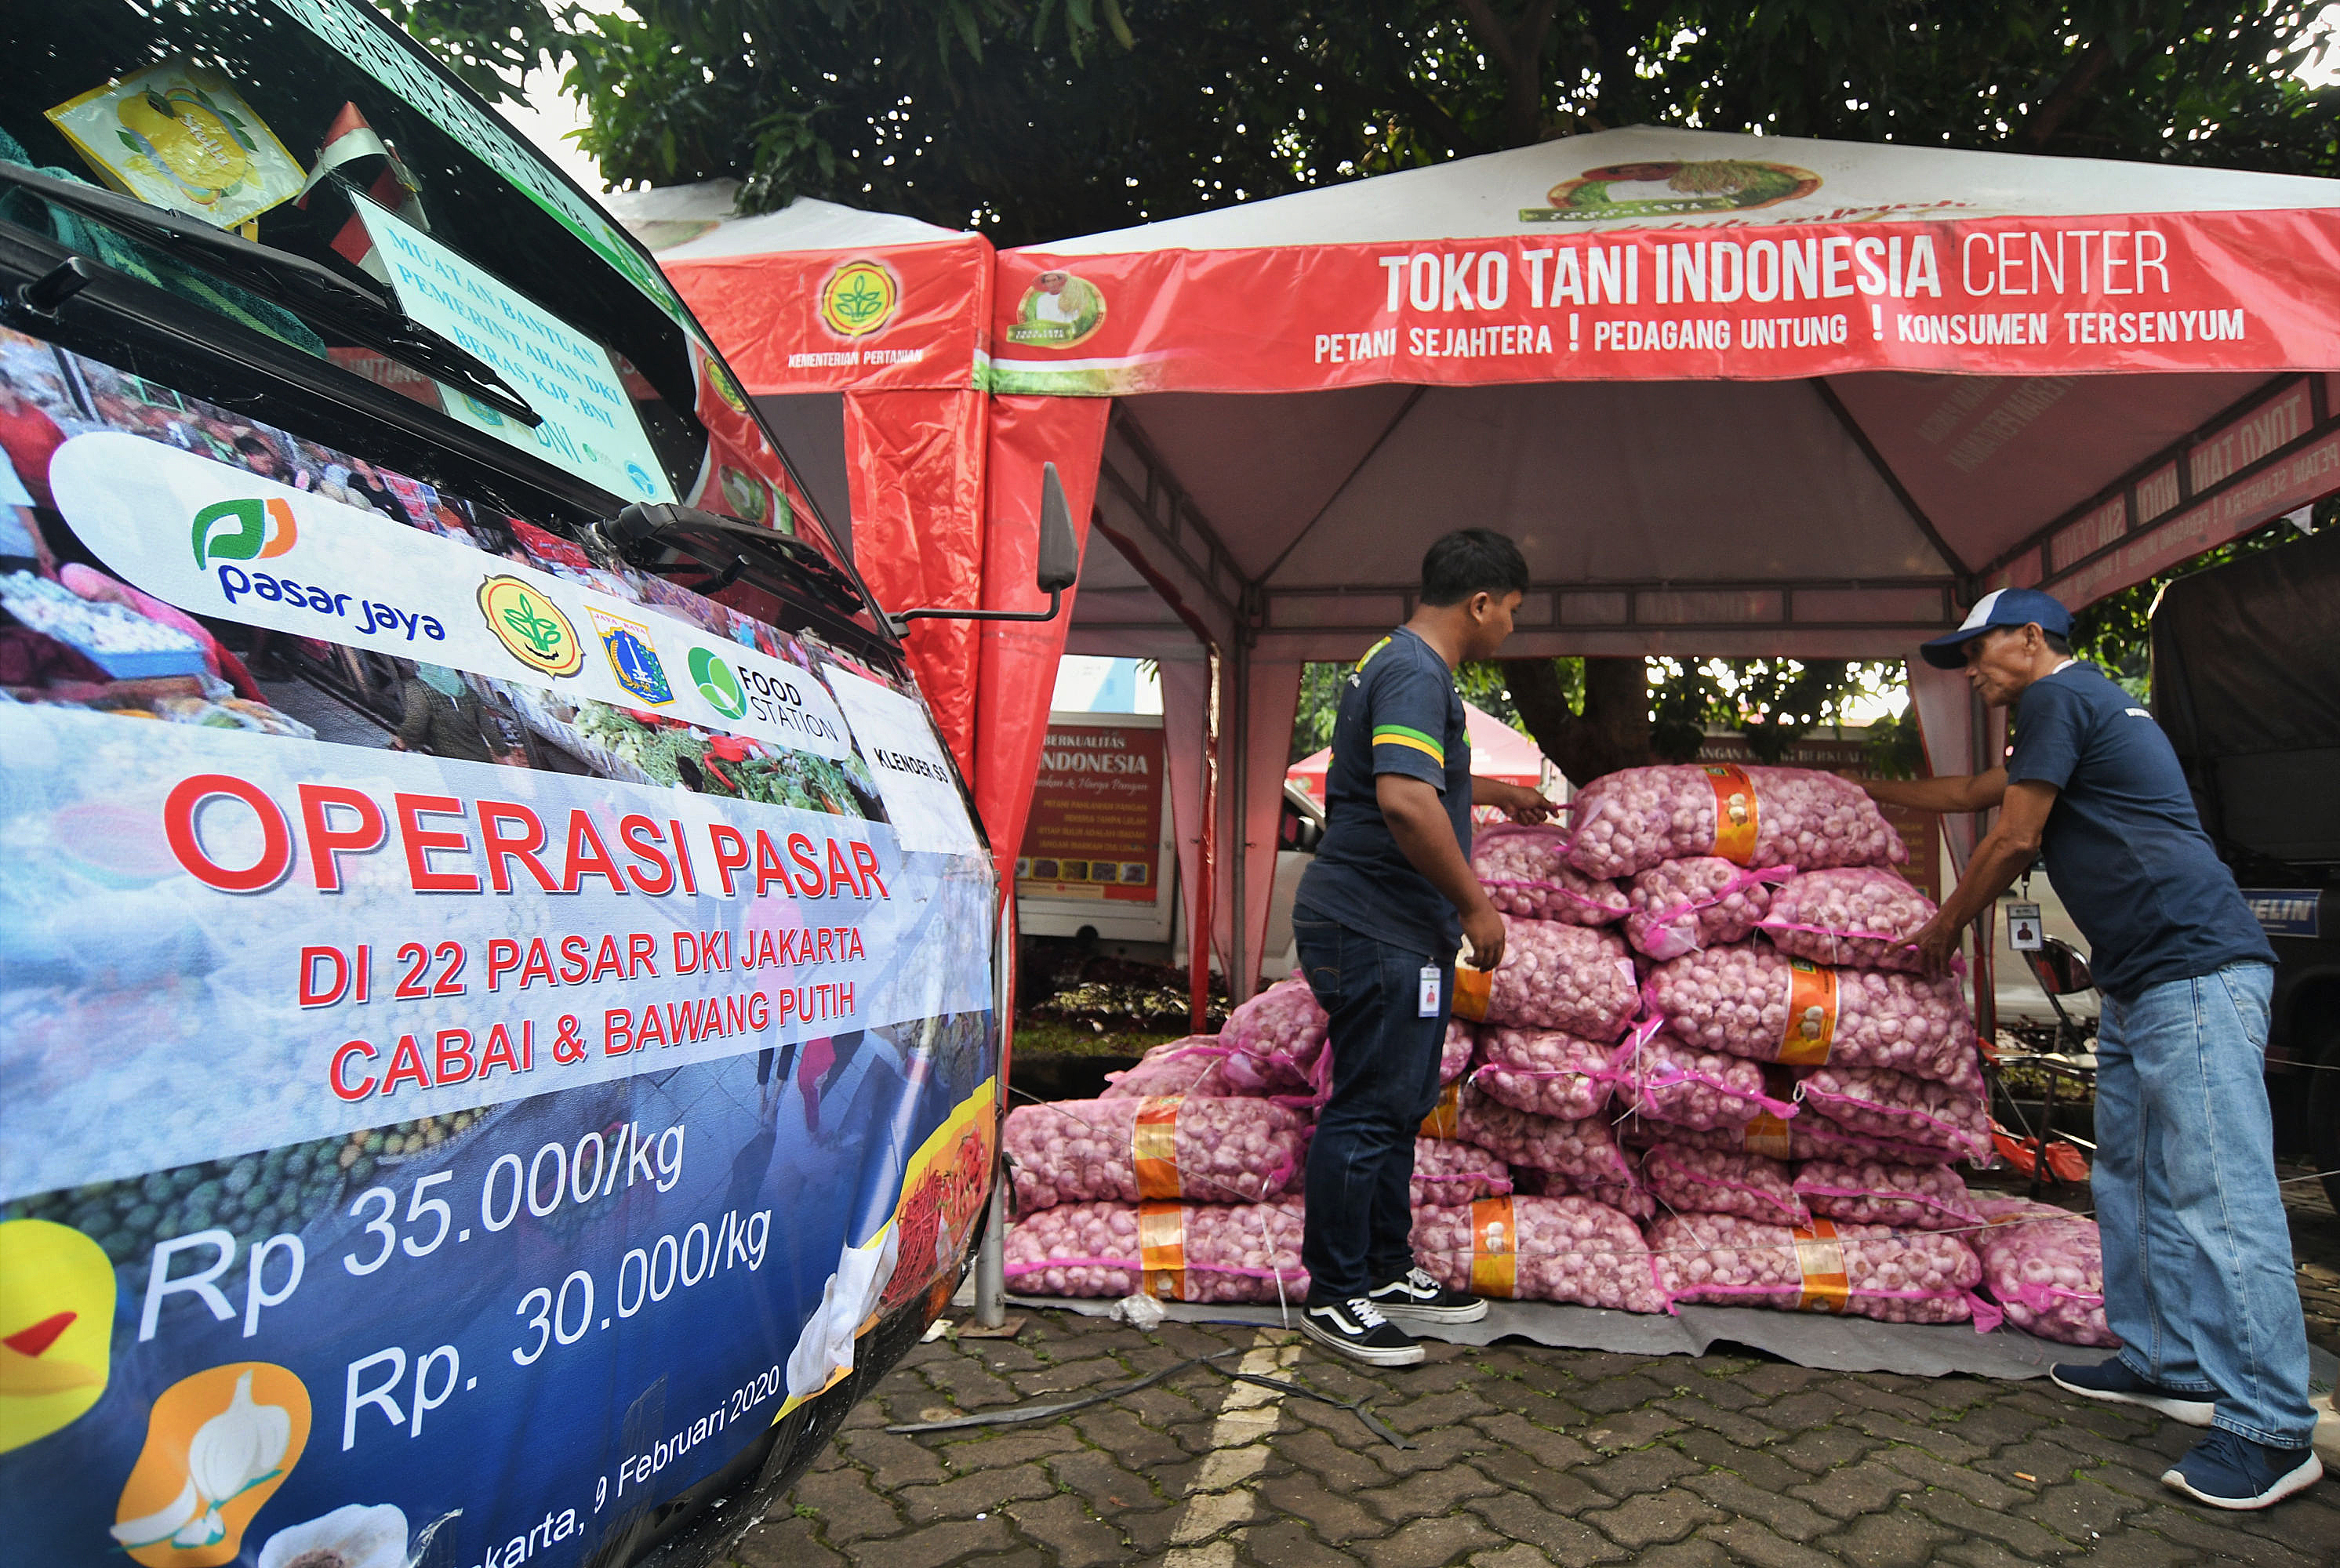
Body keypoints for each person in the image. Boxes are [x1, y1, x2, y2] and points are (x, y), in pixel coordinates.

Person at [1862, 587, 2313, 1511]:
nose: (1971, 672)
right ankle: (2167, 1361)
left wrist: (1944, 926)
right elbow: (1964, 793)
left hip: (2193, 966)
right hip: (2143, 975)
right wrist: (1850, 792)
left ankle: (2271, 1424)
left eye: (1978, 652)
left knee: (2217, 1192)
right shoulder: (2063, 718)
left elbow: (2011, 837)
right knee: (2132, 1178)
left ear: (2031, 638)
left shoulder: (2059, 697)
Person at [1288, 528, 1555, 1366]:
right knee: (1368, 1105)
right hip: (1374, 924)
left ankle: (1383, 1265)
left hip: (1394, 926)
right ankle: (1334, 1293)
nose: (1510, 628)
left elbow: (1406, 781)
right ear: (1478, 602)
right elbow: (1403, 800)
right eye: (1509, 611)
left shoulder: (1398, 662)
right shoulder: (1411, 670)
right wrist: (1476, 908)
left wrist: (1496, 792)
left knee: (1396, 1100)